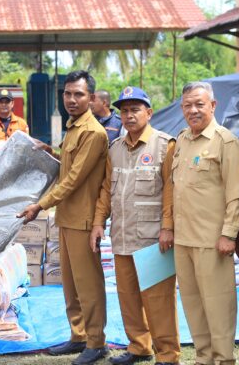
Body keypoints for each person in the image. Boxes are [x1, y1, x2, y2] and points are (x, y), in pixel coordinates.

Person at [19, 70, 109, 365]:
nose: (72, 99)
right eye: (68, 93)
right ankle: (78, 335)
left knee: (89, 285)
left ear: (91, 98)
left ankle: (96, 342)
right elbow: (67, 165)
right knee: (70, 284)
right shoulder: (72, 128)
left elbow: (72, 179)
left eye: (79, 94)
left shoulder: (94, 132)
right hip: (67, 218)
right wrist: (50, 152)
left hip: (83, 221)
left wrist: (39, 206)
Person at [92, 86, 180, 365]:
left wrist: (168, 227)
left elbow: (171, 190)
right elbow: (106, 189)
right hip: (122, 235)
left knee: (158, 300)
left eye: (135, 110)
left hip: (154, 237)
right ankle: (139, 346)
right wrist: (98, 223)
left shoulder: (165, 145)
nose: (129, 116)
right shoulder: (115, 148)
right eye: (124, 111)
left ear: (149, 113)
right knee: (128, 297)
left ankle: (167, 355)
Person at [172, 82, 239, 365]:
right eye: (188, 105)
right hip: (183, 240)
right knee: (193, 305)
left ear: (213, 106)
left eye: (199, 104)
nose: (193, 110)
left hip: (212, 241)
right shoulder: (182, 140)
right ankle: (203, 358)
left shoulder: (226, 142)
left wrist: (229, 234)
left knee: (218, 306)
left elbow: (235, 193)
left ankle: (223, 359)